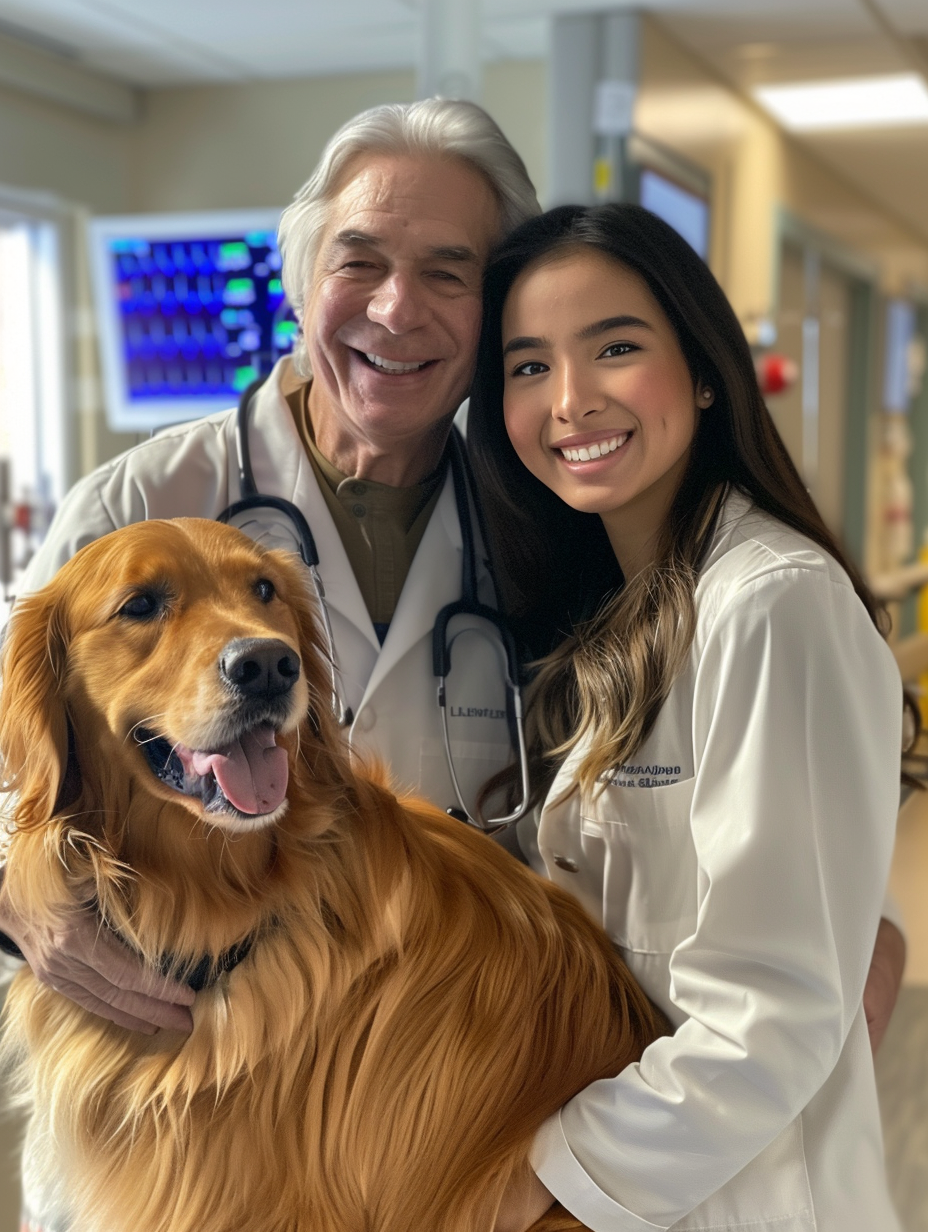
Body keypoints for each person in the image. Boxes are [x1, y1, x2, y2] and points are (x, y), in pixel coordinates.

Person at [0, 98, 540, 1232]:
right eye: (362, 260)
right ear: (300, 279)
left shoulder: (548, 535)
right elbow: (15, 750)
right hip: (166, 1098)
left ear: (495, 313)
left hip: (417, 1125)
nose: (398, 307)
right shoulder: (136, 500)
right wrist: (13, 896)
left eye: (451, 271)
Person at [467, 203, 907, 1232]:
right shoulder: (618, 609)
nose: (570, 401)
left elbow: (773, 1012)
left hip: (738, 1195)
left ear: (704, 370)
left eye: (614, 348)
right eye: (528, 366)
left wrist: (536, 1180)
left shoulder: (769, 601)